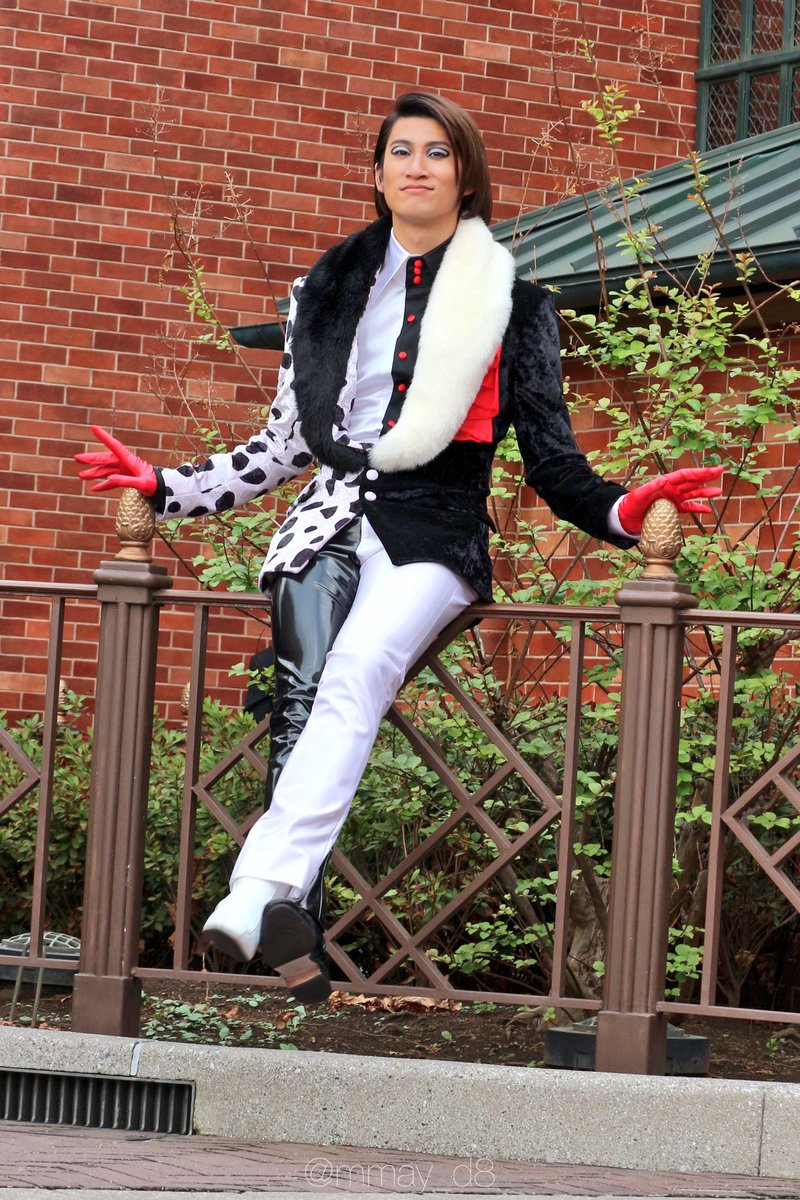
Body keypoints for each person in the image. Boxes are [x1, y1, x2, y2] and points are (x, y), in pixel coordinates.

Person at [76, 91, 722, 1003]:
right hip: (325, 521)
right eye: (401, 152)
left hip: (433, 535)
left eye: (438, 152)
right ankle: (285, 925)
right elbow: (282, 446)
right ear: (378, 176)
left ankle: (257, 892)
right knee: (302, 700)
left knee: (359, 668)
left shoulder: (515, 307)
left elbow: (553, 463)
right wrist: (164, 488)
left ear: (466, 177)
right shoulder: (323, 292)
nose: (418, 167)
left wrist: (625, 509)